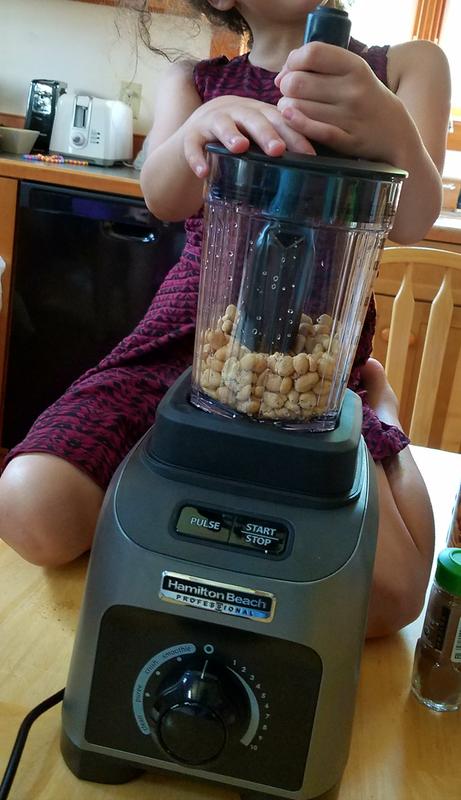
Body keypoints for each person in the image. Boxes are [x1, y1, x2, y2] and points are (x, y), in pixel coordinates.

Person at [0, 0, 450, 637]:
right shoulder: (194, 81)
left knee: (388, 599)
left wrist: (389, 127)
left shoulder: (406, 66)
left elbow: (414, 218)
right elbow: (161, 193)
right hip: (185, 339)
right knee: (31, 506)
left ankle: (378, 409)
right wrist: (198, 131)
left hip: (309, 366)